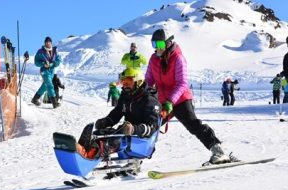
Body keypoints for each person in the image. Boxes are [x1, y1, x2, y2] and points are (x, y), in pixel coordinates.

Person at [145, 28, 234, 165]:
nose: (158, 49)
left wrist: (170, 101)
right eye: (154, 45)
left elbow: (182, 83)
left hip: (180, 99)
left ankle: (218, 150)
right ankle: (136, 159)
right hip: (162, 100)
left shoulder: (178, 58)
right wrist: (145, 94)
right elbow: (149, 80)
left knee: (193, 124)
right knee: (149, 125)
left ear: (168, 43)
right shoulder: (153, 59)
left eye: (160, 45)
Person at [76, 67, 161, 159]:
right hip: (127, 132)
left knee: (116, 140)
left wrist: (134, 129)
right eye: (123, 83)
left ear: (138, 82)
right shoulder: (126, 96)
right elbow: (117, 113)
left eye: (128, 82)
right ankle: (83, 148)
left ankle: (89, 154)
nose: (125, 86)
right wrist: (106, 121)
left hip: (142, 141)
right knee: (100, 133)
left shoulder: (150, 100)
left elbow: (152, 127)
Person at [31, 36, 62, 108]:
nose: (48, 44)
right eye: (46, 42)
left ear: (51, 43)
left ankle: (35, 99)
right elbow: (36, 62)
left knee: (45, 86)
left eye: (49, 42)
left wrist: (52, 64)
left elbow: (58, 61)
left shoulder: (55, 51)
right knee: (49, 85)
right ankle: (55, 102)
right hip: (44, 71)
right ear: (45, 43)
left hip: (51, 71)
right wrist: (43, 64)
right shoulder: (40, 52)